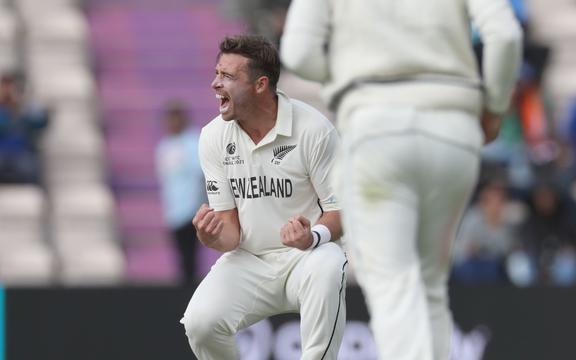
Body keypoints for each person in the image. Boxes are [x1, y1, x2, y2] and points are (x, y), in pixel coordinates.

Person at [281, 0, 523, 358]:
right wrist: (495, 104)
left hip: (375, 129)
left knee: (393, 286)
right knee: (430, 289)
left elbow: (298, 52)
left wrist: (352, 76)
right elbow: (504, 34)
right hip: (453, 129)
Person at [179, 34, 347, 360]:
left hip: (306, 258)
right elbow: (230, 233)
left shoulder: (314, 129)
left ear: (260, 84)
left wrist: (312, 236)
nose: (215, 84)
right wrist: (210, 236)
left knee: (329, 264)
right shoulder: (213, 137)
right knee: (201, 322)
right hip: (251, 260)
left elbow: (342, 212)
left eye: (228, 76)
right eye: (217, 73)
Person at [155, 102, 205, 284]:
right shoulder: (164, 146)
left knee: (190, 255)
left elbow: (201, 174)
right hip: (174, 210)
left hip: (192, 208)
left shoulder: (194, 141)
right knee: (181, 256)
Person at [0, 72, 49, 184]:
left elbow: (40, 122)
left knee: (29, 168)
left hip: (22, 157)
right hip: (1, 155)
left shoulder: (26, 108)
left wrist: (19, 106)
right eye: (4, 87)